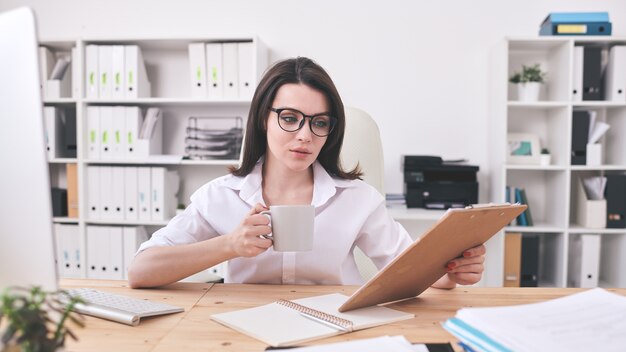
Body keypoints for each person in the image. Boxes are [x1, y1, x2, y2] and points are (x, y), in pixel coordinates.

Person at [127, 57, 486, 289]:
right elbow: (141, 271)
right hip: (243, 331)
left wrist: (454, 269)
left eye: (319, 123)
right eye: (289, 118)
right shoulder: (219, 196)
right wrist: (229, 245)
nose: (304, 135)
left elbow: (414, 270)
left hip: (336, 331)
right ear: (262, 119)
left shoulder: (358, 200)